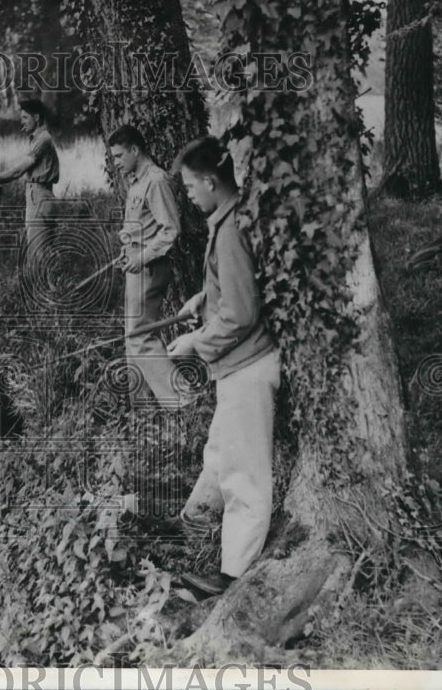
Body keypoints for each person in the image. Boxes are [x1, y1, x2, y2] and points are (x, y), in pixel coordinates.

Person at [166, 136, 280, 597]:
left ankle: (231, 577)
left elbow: (241, 314)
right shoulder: (229, 217)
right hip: (238, 366)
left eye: (191, 186)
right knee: (219, 456)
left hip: (248, 368)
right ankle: (194, 530)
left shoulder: (230, 228)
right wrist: (203, 299)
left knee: (244, 476)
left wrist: (195, 341)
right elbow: (232, 292)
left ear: (211, 182)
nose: (189, 195)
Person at [107, 124, 183, 409]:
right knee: (133, 340)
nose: (115, 163)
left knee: (141, 337)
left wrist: (140, 257)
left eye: (118, 156)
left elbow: (170, 230)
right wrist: (128, 254)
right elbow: (143, 229)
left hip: (150, 267)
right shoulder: (137, 181)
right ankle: (141, 410)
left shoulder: (156, 180)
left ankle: (180, 401)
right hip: (136, 266)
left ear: (135, 150)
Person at [0, 98, 60, 267]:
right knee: (40, 255)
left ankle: (48, 292)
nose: (21, 122)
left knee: (39, 256)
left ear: (36, 117)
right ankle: (50, 290)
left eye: (25, 117)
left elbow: (18, 171)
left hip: (40, 197)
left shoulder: (43, 139)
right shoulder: (37, 139)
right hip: (37, 196)